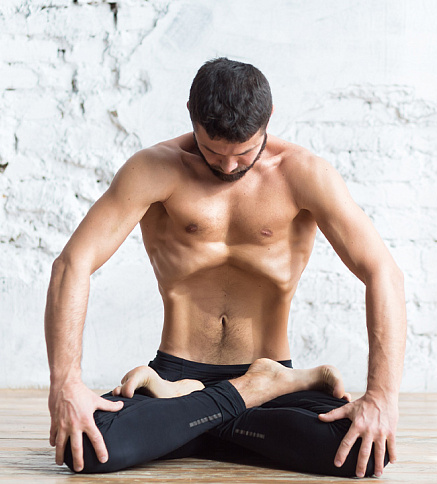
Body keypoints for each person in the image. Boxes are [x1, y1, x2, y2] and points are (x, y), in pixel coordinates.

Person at [44, 57, 407, 479]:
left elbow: (384, 273)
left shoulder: (303, 174)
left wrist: (382, 397)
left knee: (364, 452)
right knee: (85, 448)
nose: (228, 166)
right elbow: (72, 264)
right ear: (191, 116)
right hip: (177, 372)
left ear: (268, 119)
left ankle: (185, 421)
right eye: (213, 151)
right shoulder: (154, 169)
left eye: (244, 152)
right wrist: (66, 385)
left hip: (259, 376)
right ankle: (244, 392)